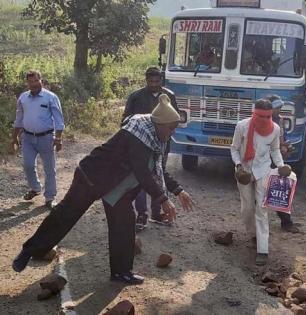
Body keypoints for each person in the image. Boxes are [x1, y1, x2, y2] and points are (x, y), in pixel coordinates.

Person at [12, 94, 194, 284]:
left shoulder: (156, 137)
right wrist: (162, 199)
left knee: (124, 223)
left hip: (117, 188)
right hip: (91, 177)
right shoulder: (138, 134)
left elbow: (158, 169)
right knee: (66, 214)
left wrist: (178, 190)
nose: (173, 132)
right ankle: (30, 250)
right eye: (172, 128)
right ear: (160, 123)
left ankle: (121, 273)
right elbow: (142, 171)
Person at [231, 98, 290, 266]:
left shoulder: (275, 129)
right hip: (244, 171)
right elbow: (234, 149)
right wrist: (238, 166)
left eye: (267, 117)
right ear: (254, 113)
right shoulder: (242, 126)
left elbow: (275, 149)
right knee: (247, 208)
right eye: (261, 116)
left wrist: (280, 166)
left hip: (263, 170)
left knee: (261, 209)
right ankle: (254, 235)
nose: (264, 120)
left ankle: (262, 249)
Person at [122, 67, 179, 230]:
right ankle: (141, 214)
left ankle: (157, 212)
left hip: (161, 145)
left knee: (159, 175)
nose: (154, 84)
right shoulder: (136, 96)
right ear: (146, 81)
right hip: (141, 145)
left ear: (161, 80)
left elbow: (174, 121)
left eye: (157, 81)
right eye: (151, 81)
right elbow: (126, 120)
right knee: (141, 177)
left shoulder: (169, 96)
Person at [11, 70, 65, 209]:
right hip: (27, 138)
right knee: (28, 165)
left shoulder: (50, 97)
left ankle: (50, 198)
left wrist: (58, 138)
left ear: (41, 80)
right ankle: (35, 188)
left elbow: (59, 119)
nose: (34, 84)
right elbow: (19, 119)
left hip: (46, 138)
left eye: (36, 81)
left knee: (49, 169)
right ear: (27, 83)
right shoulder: (23, 98)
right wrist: (15, 138)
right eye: (30, 82)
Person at [270, 96, 300, 233]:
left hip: (277, 159)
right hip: (266, 161)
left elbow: (283, 138)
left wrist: (286, 147)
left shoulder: (279, 120)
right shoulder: (265, 122)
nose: (279, 110)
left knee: (280, 191)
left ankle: (286, 222)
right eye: (277, 108)